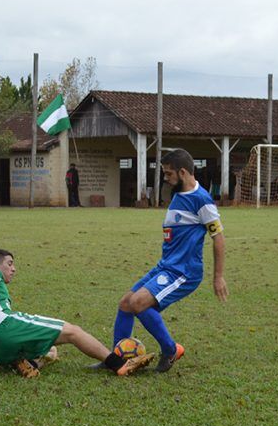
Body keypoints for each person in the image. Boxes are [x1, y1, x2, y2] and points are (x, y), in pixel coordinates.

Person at [94, 148, 228, 373]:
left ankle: (170, 349)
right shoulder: (179, 194)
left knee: (138, 303)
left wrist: (218, 277)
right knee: (126, 304)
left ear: (183, 172)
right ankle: (116, 359)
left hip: (184, 272)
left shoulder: (202, 200)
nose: (165, 179)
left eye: (168, 174)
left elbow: (219, 238)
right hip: (166, 266)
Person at [0, 249, 154, 377]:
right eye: (10, 264)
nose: (13, 269)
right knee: (73, 331)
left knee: (51, 350)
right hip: (5, 327)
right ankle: (120, 364)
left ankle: (29, 363)